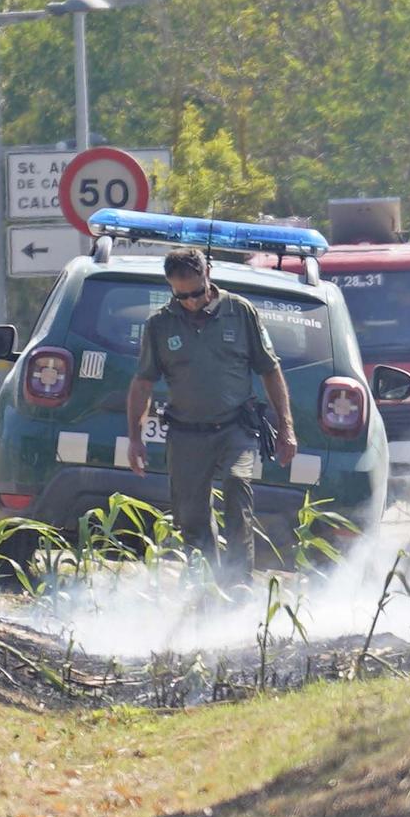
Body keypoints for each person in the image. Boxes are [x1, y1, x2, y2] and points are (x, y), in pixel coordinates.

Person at [125, 246, 298, 580]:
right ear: (171, 287)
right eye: (183, 296)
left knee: (236, 486)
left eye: (197, 292)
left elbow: (270, 371)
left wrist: (286, 428)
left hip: (235, 428)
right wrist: (135, 439)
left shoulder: (240, 312)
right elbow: (143, 383)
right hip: (186, 433)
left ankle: (238, 585)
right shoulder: (159, 325)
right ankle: (206, 587)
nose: (192, 302)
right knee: (192, 517)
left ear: (209, 275)